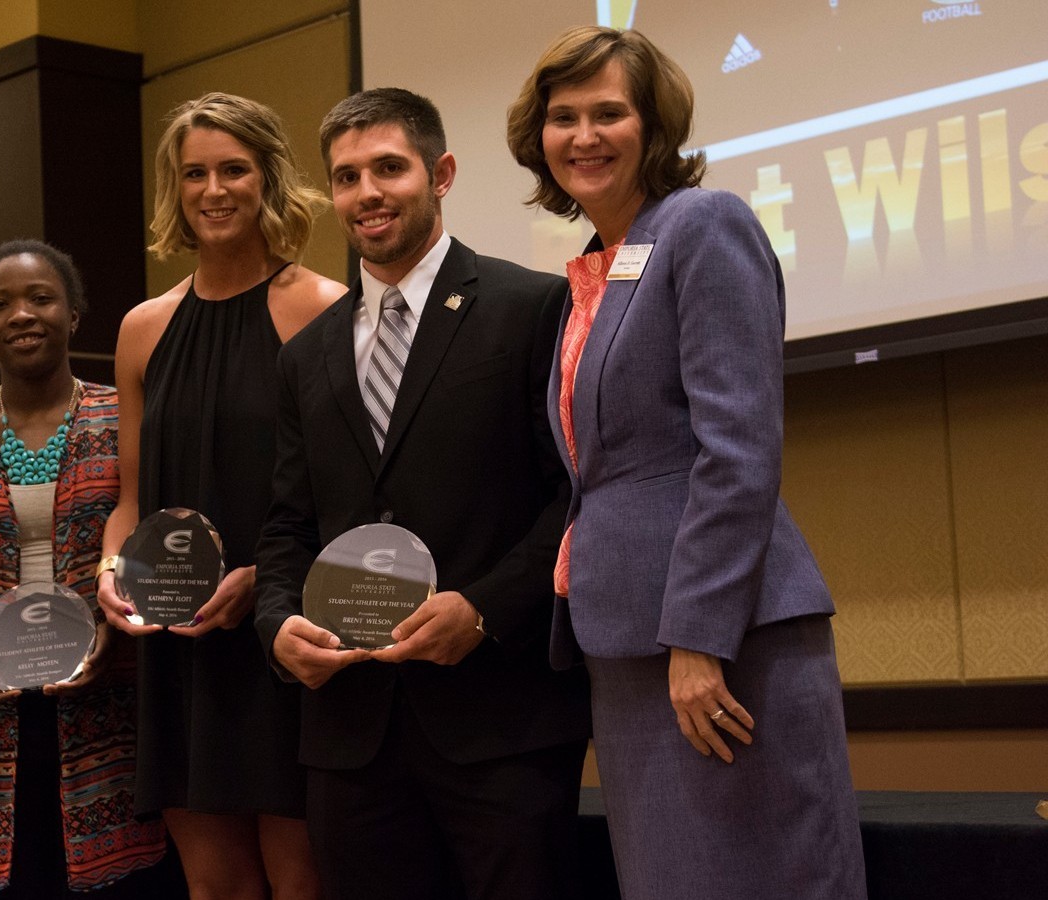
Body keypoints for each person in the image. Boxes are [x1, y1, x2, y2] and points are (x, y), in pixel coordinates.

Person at [505, 26, 867, 900]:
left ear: (654, 126)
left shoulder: (702, 224)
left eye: (608, 113)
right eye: (563, 117)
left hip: (719, 640)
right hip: (631, 648)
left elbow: (739, 449)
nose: (583, 135)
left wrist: (699, 639)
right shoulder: (602, 267)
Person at [253, 87, 592, 900]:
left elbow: (576, 497)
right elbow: (288, 527)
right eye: (346, 176)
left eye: (389, 168)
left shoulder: (532, 306)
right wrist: (274, 628)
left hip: (499, 724)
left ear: (439, 174)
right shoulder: (307, 355)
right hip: (350, 733)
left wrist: (482, 609)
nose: (366, 193)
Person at [94, 92, 347, 900]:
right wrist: (109, 568)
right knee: (215, 886)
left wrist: (266, 588)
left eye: (234, 169)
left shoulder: (325, 309)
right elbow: (131, 499)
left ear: (270, 177)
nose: (214, 189)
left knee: (302, 882)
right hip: (182, 652)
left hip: (285, 641)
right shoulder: (143, 328)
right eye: (194, 172)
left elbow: (349, 503)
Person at [0, 240, 177, 898]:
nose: (22, 314)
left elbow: (159, 549)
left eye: (41, 298)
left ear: (73, 315)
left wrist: (117, 627)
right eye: (1, 304)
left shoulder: (125, 419)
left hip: (113, 718)